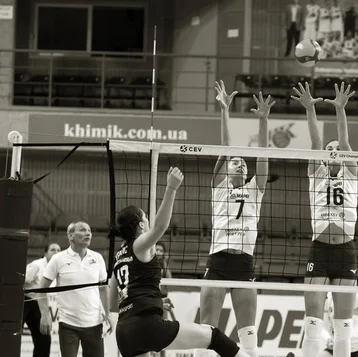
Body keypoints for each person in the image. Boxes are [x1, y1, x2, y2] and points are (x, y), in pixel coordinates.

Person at [109, 168, 259, 357]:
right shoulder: (139, 245)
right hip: (146, 327)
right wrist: (171, 188)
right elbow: (160, 227)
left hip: (123, 333)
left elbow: (113, 304)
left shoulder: (117, 257)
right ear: (140, 225)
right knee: (214, 337)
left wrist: (148, 301)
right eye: (145, 217)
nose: (148, 220)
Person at [199, 80, 275, 357]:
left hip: (244, 264)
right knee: (208, 331)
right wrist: (225, 110)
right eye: (235, 161)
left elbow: (264, 154)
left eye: (243, 161)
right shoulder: (219, 187)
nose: (240, 162)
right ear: (226, 168)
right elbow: (226, 146)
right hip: (218, 260)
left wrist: (264, 120)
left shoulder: (256, 189)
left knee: (249, 335)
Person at [291, 81, 358, 357]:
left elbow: (343, 142)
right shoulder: (316, 173)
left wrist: (340, 110)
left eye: (337, 150)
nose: (333, 151)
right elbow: (317, 142)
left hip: (345, 252)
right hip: (319, 250)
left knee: (343, 328)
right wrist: (310, 109)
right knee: (313, 324)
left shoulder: (352, 173)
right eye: (329, 150)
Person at [38, 222, 112, 357]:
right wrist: (44, 314)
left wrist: (108, 313)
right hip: (68, 325)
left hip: (94, 324)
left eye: (89, 230)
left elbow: (103, 288)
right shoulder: (58, 259)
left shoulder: (98, 258)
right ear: (71, 236)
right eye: (83, 230)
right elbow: (41, 289)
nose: (88, 233)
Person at [23, 243, 61, 357]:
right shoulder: (37, 265)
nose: (56, 252)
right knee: (12, 334)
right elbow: (22, 280)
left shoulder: (58, 269)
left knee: (44, 338)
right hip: (24, 301)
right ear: (45, 253)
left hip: (39, 303)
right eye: (53, 250)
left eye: (59, 250)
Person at [318, 293, 358, 357]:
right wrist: (328, 339)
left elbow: (354, 326)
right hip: (335, 346)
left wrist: (340, 338)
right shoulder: (328, 297)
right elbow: (323, 326)